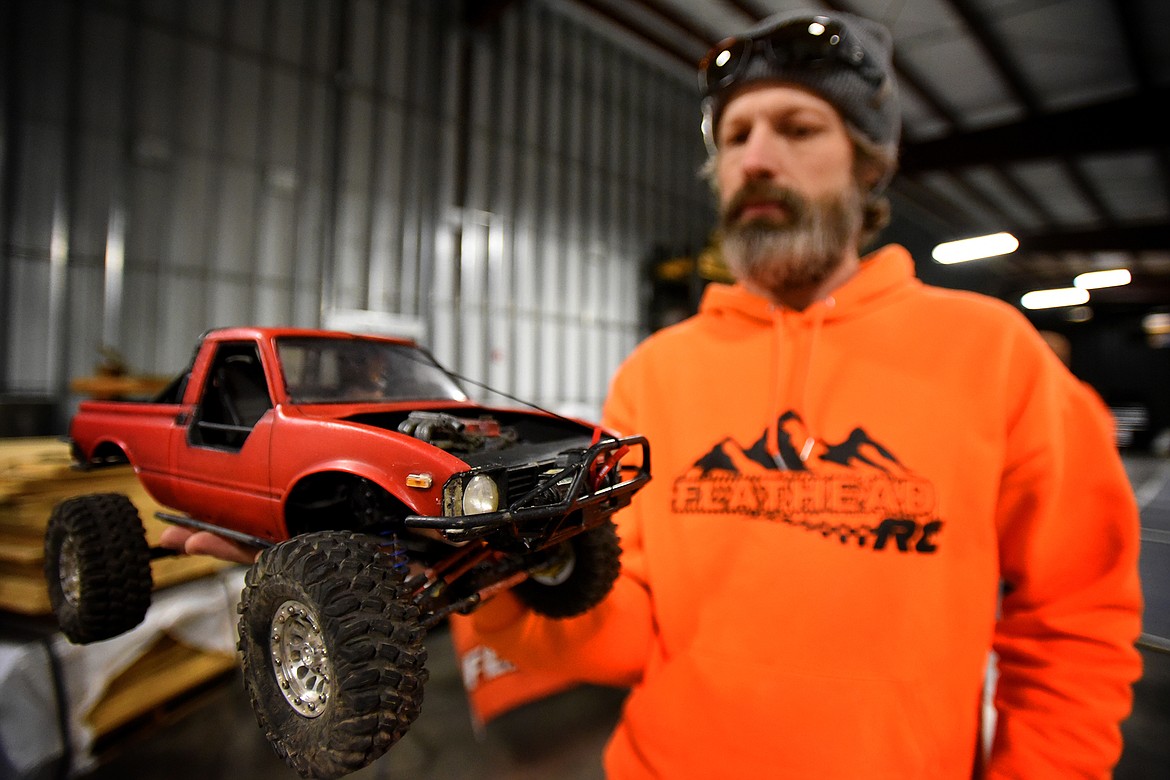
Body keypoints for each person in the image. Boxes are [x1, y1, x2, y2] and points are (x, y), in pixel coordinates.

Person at [163, 8, 1144, 778]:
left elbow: (1074, 627)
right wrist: (469, 566)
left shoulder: (995, 353)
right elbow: (621, 624)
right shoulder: (658, 374)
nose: (757, 156)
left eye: (798, 128)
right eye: (737, 135)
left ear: (868, 162)